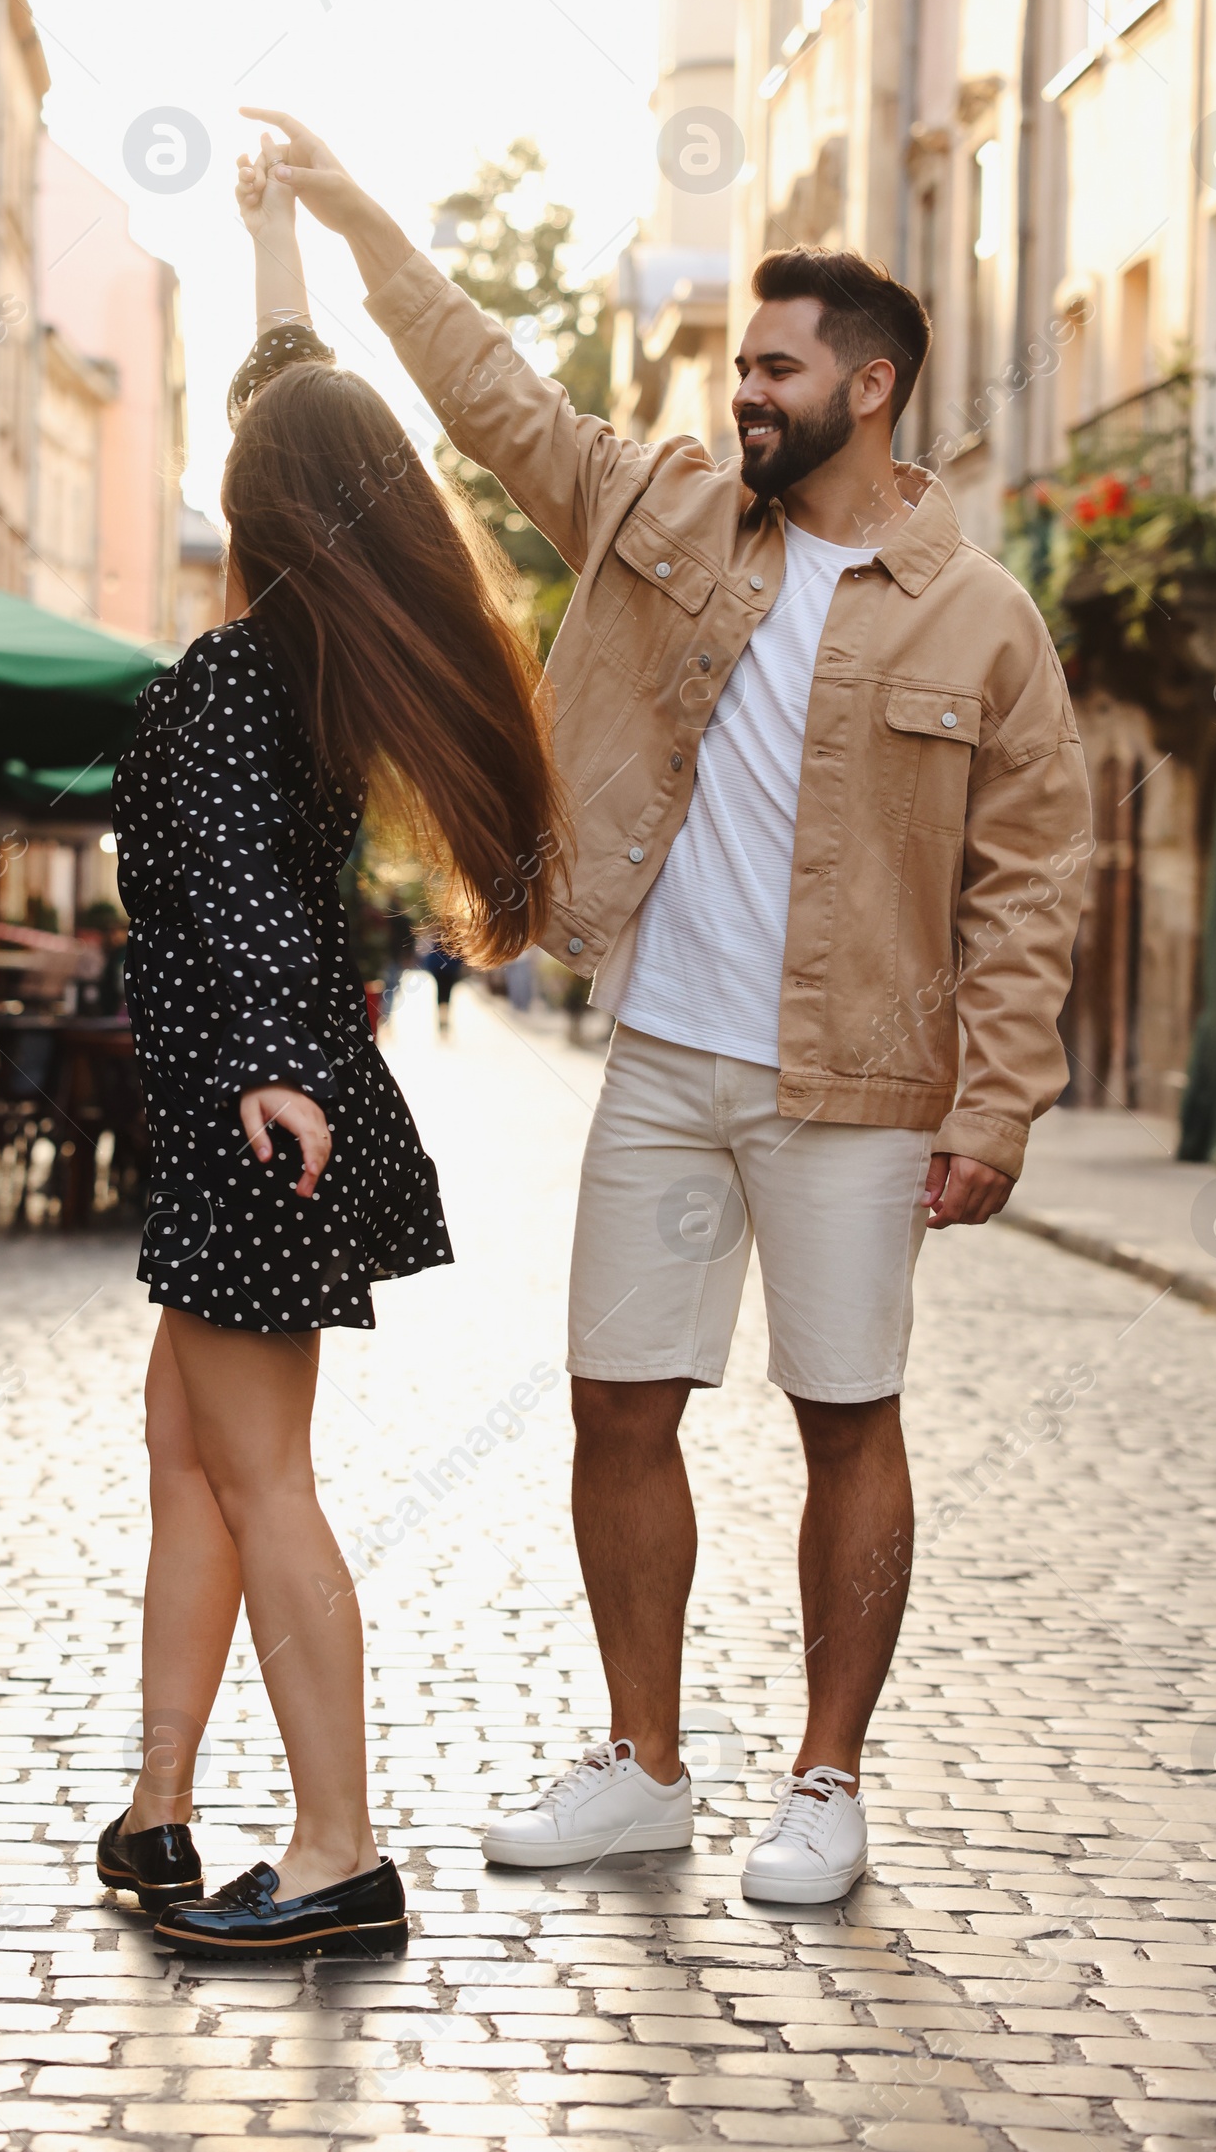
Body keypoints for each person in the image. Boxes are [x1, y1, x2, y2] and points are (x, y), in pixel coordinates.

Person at [243, 108, 1092, 1904]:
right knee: (616, 1405)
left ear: (872, 387)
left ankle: (829, 1781)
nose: (744, 397)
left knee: (845, 1413)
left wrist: (999, 1102)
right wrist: (346, 202)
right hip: (667, 1058)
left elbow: (1033, 879)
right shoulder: (664, 515)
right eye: (739, 367)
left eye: (776, 370)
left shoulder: (982, 620)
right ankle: (642, 1763)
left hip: (857, 1081)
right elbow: (493, 394)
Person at [96, 133, 566, 1957]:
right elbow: (294, 401)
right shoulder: (293, 654)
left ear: (263, 508)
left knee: (261, 1477)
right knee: (189, 1455)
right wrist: (276, 241)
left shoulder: (231, 681)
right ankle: (157, 1811)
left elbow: (250, 911)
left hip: (250, 1120)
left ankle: (340, 1847)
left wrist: (276, 1067)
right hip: (252, 1113)